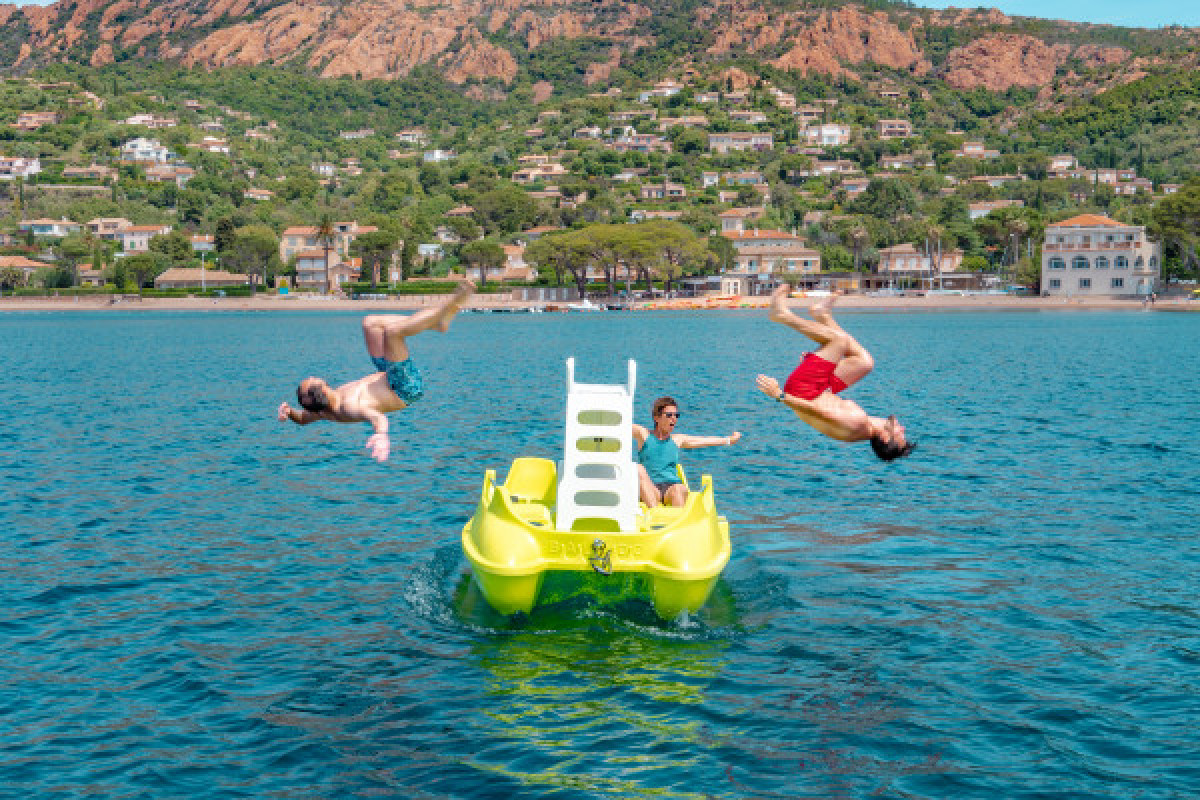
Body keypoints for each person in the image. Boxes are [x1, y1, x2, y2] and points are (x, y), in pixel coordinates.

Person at [277, 281, 474, 461]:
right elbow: (378, 418)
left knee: (370, 323)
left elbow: (303, 418)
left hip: (386, 372)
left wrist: (289, 412)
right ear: (322, 390)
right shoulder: (350, 407)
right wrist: (381, 436)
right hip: (404, 387)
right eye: (310, 380)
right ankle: (445, 309)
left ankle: (432, 323)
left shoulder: (322, 409)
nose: (311, 376)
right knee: (393, 332)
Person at [755, 284, 916, 462]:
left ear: (886, 438)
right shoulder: (866, 426)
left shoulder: (857, 423)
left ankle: (782, 315)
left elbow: (816, 411)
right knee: (865, 362)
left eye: (900, 434)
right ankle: (822, 314)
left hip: (803, 391)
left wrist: (779, 395)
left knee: (838, 341)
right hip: (820, 389)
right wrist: (821, 364)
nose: (903, 429)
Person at [632, 396, 742, 507]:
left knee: (679, 489)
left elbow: (704, 441)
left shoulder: (677, 439)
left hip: (671, 488)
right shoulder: (644, 434)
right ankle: (654, 514)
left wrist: (729, 440)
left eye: (676, 415)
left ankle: (679, 521)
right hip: (650, 488)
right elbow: (620, 424)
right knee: (637, 468)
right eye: (669, 415)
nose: (674, 418)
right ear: (656, 418)